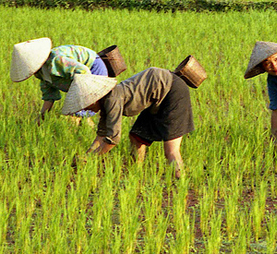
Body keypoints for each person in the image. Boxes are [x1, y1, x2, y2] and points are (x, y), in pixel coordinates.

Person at [61, 67, 195, 178]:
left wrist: (90, 159)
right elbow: (102, 135)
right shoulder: (105, 103)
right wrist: (86, 155)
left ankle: (181, 182)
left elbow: (113, 139)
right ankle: (135, 175)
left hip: (172, 91)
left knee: (171, 151)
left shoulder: (111, 100)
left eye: (86, 105)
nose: (85, 109)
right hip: (156, 98)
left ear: (94, 99)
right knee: (137, 136)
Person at [10, 37, 108, 125]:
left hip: (93, 69)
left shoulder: (57, 61)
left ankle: (88, 132)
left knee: (77, 115)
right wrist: (42, 117)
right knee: (76, 115)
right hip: (81, 80)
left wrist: (79, 104)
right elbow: (49, 97)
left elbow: (83, 72)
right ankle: (86, 129)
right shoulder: (41, 75)